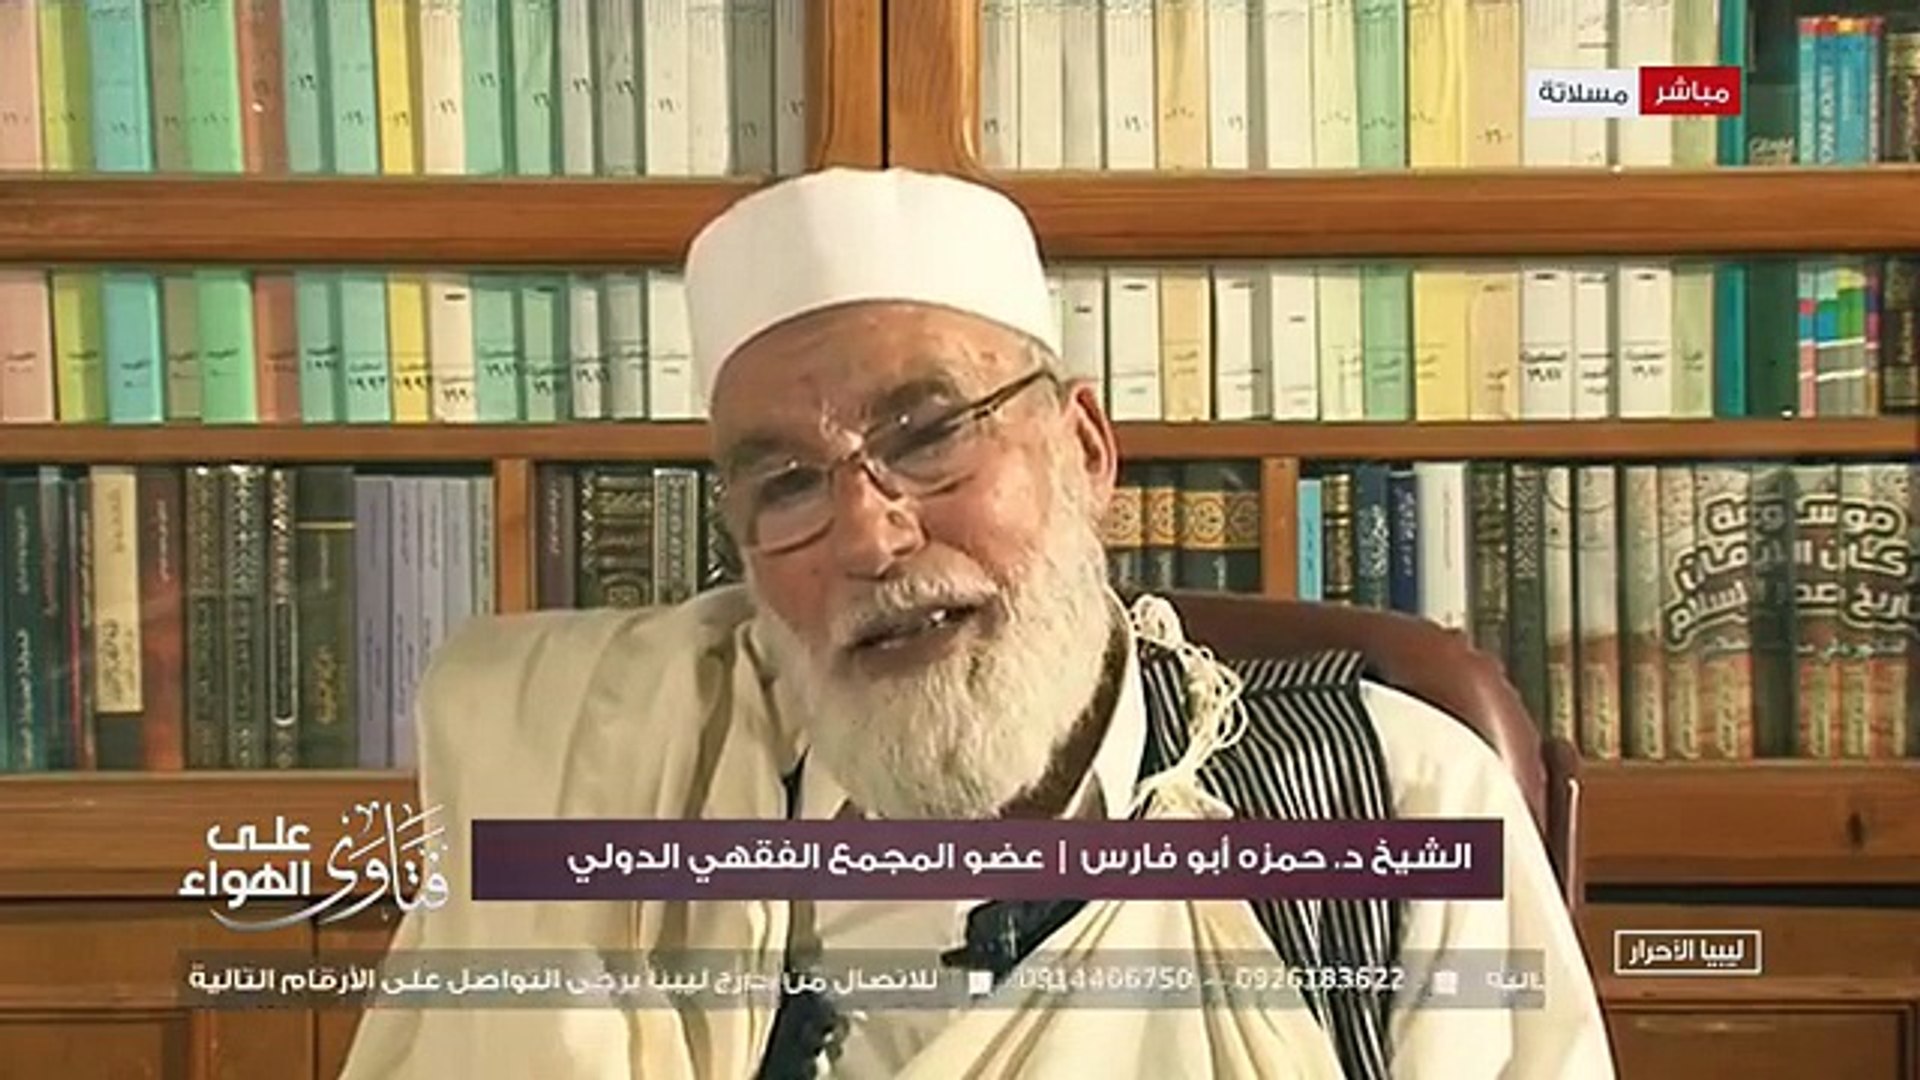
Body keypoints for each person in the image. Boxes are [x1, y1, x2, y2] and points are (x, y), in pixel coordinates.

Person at [339, 167, 1616, 1079]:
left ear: (1086, 450)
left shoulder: (1394, 799)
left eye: (931, 434)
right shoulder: (632, 796)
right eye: (787, 485)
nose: (868, 535)